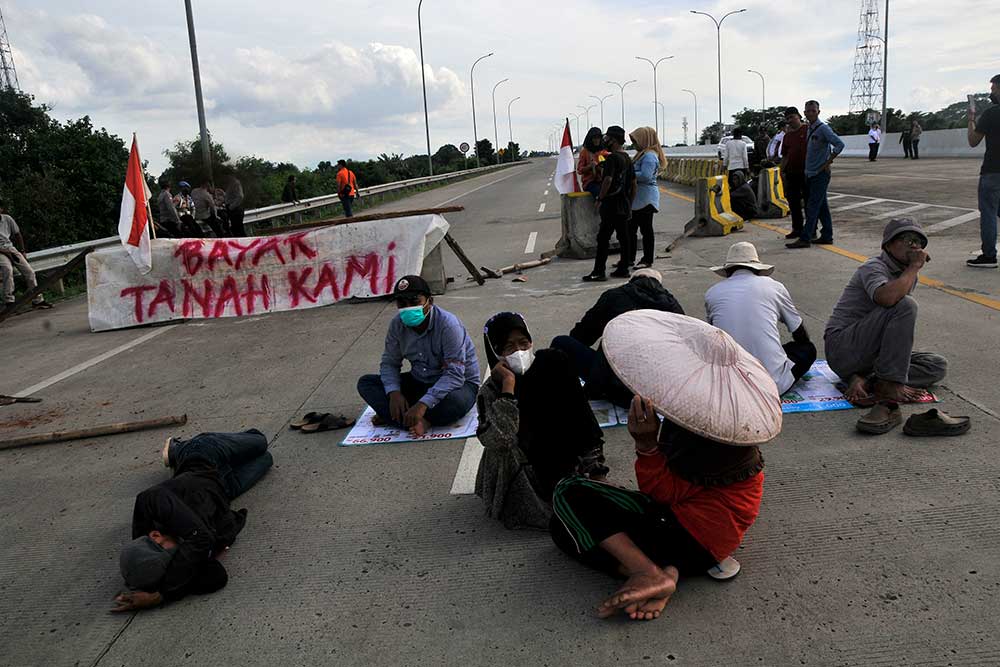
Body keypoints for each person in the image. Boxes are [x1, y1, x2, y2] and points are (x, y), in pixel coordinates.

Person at [550, 311, 780, 622]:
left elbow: (661, 494)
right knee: (566, 530)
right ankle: (669, 573)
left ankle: (647, 573)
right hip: (708, 547)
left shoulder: (708, 443)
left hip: (684, 532)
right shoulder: (729, 426)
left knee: (569, 494)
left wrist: (646, 445)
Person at [112, 430, 273, 612]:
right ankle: (179, 453)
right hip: (226, 488)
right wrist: (164, 594)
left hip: (203, 456)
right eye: (175, 561)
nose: (181, 555)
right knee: (267, 459)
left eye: (174, 554)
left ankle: (178, 449)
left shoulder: (151, 503)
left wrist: (160, 594)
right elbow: (217, 577)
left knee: (261, 441)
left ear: (155, 535)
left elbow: (201, 539)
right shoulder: (169, 553)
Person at [474, 312, 609, 529]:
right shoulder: (490, 391)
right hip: (522, 470)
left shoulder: (551, 364)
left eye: (523, 343)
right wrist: (508, 388)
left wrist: (595, 468)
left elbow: (581, 416)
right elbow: (501, 441)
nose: (519, 351)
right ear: (495, 352)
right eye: (508, 347)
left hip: (559, 455)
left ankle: (589, 472)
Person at [824, 219, 948, 433]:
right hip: (843, 348)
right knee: (906, 305)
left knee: (936, 365)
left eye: (918, 241)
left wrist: (911, 270)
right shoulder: (873, 267)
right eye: (907, 240)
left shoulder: (906, 273)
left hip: (869, 353)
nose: (914, 246)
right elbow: (887, 298)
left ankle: (868, 379)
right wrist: (914, 267)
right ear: (888, 245)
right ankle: (889, 387)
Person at [357, 275, 480, 437]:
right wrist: (394, 393)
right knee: (367, 384)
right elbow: (389, 363)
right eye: (402, 303)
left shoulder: (448, 325)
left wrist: (423, 404)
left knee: (455, 403)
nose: (408, 308)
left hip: (458, 385)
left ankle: (413, 419)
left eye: (414, 302)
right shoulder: (397, 325)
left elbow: (455, 375)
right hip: (420, 381)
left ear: (430, 302)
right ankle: (414, 418)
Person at [552, 268, 684, 407]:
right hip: (659, 392)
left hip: (614, 388)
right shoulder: (673, 305)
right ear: (659, 284)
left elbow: (582, 336)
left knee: (561, 342)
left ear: (631, 280)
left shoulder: (614, 296)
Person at [705, 242, 816, 395]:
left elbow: (715, 339)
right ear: (757, 269)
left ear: (728, 270)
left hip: (730, 385)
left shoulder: (712, 293)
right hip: (771, 385)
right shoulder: (774, 287)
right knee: (807, 349)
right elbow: (800, 334)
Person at [786, 100, 845, 249]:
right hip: (810, 173)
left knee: (812, 207)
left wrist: (828, 162)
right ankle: (827, 235)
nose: (811, 113)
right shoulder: (808, 129)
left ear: (818, 112)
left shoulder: (823, 128)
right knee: (822, 206)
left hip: (820, 174)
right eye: (808, 111)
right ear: (804, 113)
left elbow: (839, 144)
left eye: (813, 110)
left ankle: (805, 238)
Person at [583, 126, 636, 282]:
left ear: (613, 140)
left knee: (603, 238)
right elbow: (634, 184)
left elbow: (607, 180)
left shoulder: (612, 159)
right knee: (623, 237)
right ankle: (623, 269)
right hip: (624, 204)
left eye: (607, 138)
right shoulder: (626, 158)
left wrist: (600, 198)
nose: (604, 141)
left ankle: (599, 271)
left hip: (611, 204)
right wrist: (630, 205)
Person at [966, 74, 1000, 269]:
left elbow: (973, 141)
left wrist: (971, 119)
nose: (991, 93)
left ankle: (989, 255)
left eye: (994, 89)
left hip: (993, 172)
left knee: (988, 213)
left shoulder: (991, 114)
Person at [628, 127, 666, 269]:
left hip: (646, 198)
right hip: (639, 198)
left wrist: (628, 174)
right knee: (631, 229)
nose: (634, 144)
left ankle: (647, 259)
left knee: (645, 230)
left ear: (644, 139)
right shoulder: (642, 154)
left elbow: (645, 176)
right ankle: (629, 258)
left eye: (635, 141)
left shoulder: (649, 156)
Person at [0, 201, 48, 313]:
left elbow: (18, 234)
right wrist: (7, 253)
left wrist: (22, 251)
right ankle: (9, 301)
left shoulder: (7, 219)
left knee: (30, 272)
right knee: (7, 269)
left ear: (1, 209)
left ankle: (37, 299)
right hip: (1, 251)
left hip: (10, 248)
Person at [780, 107, 809, 240]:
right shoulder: (787, 136)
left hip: (807, 173)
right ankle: (797, 229)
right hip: (791, 173)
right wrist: (781, 171)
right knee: (793, 203)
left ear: (799, 116)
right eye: (787, 119)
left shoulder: (808, 130)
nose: (790, 120)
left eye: (792, 117)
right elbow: (785, 156)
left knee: (809, 203)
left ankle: (810, 230)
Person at [577, 127, 609, 199]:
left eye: (598, 138)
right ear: (590, 139)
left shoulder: (603, 152)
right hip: (590, 182)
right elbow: (579, 170)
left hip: (602, 180)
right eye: (594, 138)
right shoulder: (584, 152)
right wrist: (590, 166)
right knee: (599, 192)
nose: (596, 140)